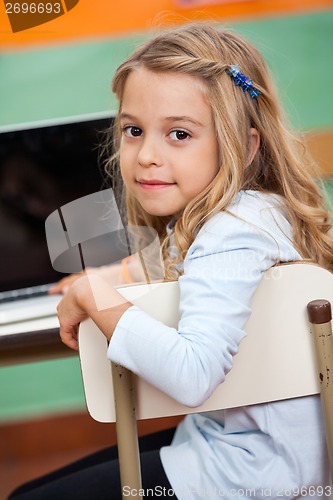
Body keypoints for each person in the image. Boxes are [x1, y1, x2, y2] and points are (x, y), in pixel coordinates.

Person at [9, 22, 333, 500]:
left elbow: (192, 374)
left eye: (179, 134)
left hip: (256, 478)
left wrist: (93, 294)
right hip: (239, 449)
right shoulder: (252, 212)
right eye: (134, 131)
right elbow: (192, 267)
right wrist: (115, 273)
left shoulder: (232, 233)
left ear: (244, 146)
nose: (146, 156)